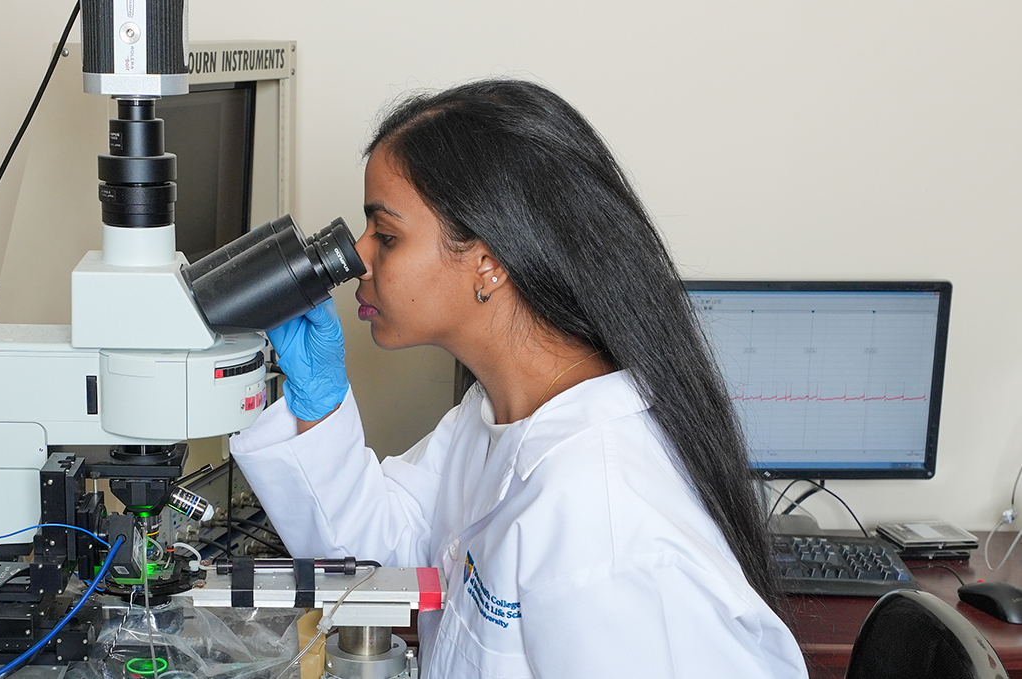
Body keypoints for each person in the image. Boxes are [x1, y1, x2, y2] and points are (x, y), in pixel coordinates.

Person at [229, 79, 806, 678]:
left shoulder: (606, 529)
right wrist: (316, 401)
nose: (358, 258)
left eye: (387, 235)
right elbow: (382, 559)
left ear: (489, 262)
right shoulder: (498, 417)